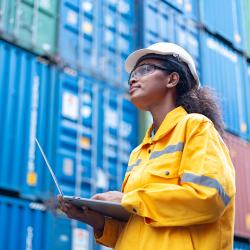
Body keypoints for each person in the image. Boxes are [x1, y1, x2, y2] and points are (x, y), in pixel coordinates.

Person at [58, 42, 236, 250]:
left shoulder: (196, 127)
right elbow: (142, 228)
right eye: (132, 74)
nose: (133, 78)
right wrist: (97, 221)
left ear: (172, 79)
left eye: (145, 70)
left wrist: (128, 200)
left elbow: (209, 198)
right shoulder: (139, 152)